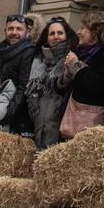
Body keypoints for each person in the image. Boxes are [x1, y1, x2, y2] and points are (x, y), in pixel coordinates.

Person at [56, 11, 104, 140]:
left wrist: (76, 66)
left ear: (96, 31)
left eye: (82, 28)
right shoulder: (78, 51)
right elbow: (59, 87)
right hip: (70, 116)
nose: (78, 32)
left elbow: (97, 85)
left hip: (91, 122)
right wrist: (67, 73)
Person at [25, 17, 74, 146]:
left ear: (66, 35)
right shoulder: (37, 60)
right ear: (46, 38)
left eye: (60, 33)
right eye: (52, 34)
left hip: (62, 124)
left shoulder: (71, 58)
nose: (56, 37)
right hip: (38, 121)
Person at [0, 15, 40, 135]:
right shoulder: (0, 53)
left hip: (17, 118)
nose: (14, 32)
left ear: (27, 31)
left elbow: (23, 88)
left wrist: (5, 115)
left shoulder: (29, 52)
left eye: (19, 29)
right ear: (5, 31)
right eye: (10, 29)